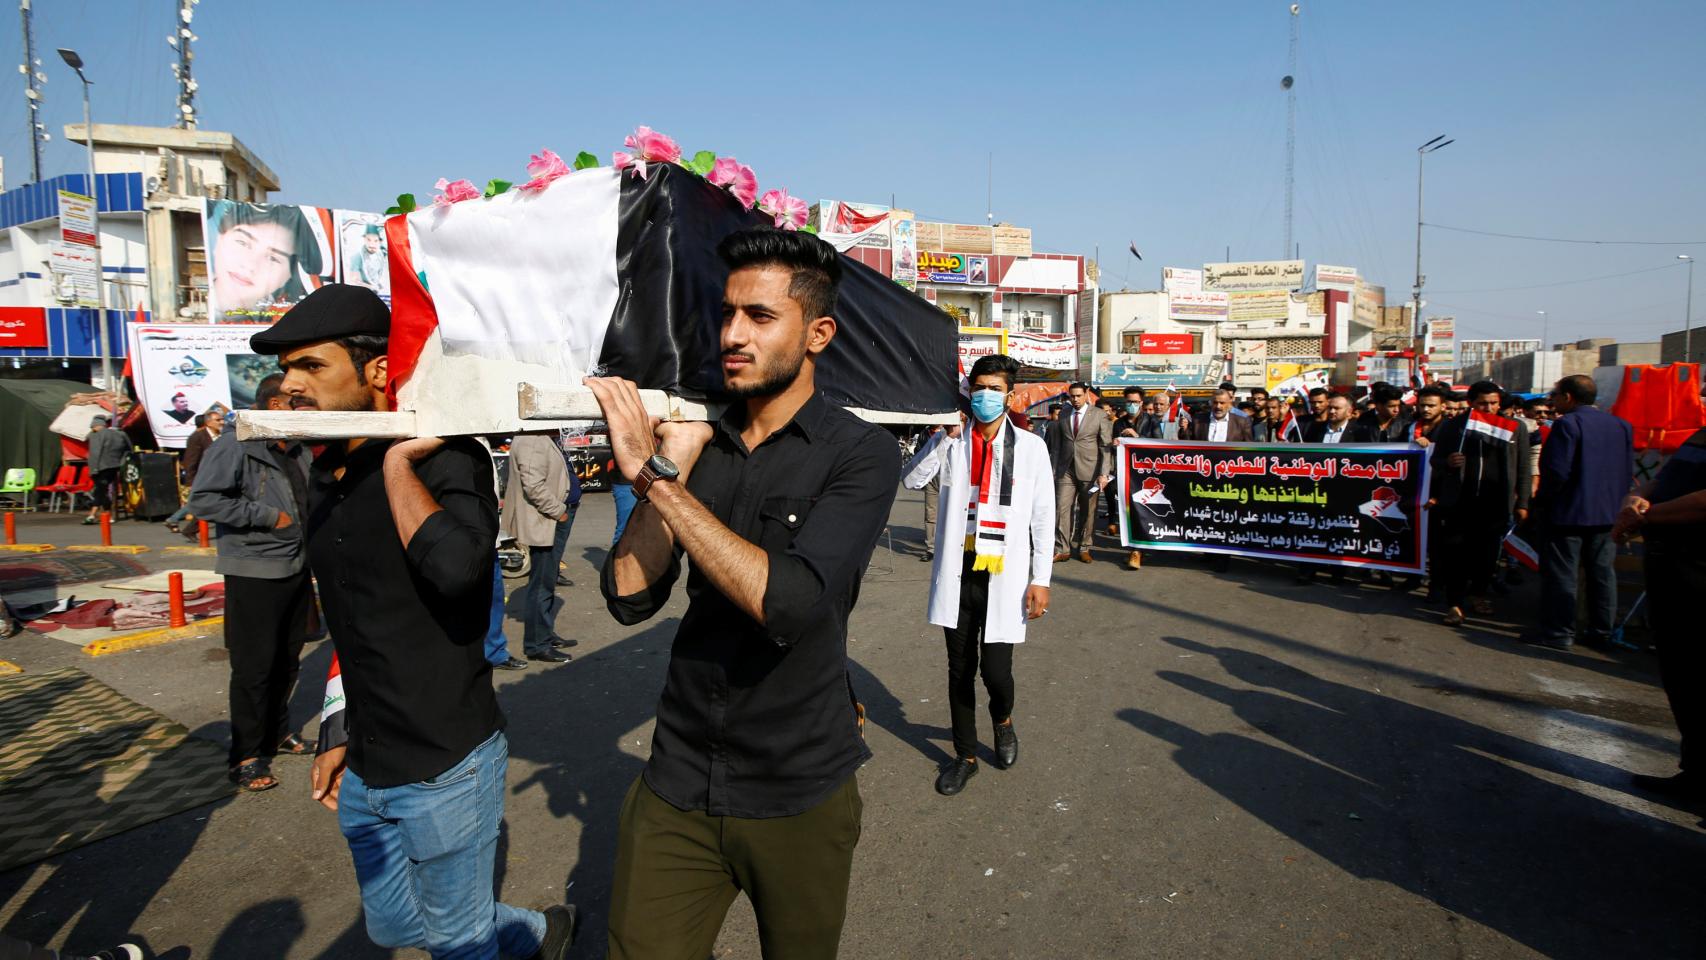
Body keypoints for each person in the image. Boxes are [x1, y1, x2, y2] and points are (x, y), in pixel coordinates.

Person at [591, 229, 896, 960]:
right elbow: (629, 595)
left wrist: (656, 479)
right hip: (678, 780)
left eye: (759, 317)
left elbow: (787, 602)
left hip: (798, 789)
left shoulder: (859, 454)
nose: (732, 334)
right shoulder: (698, 445)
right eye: (727, 314)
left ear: (817, 333)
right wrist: (665, 467)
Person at [253, 285, 574, 960]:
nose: (290, 385)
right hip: (366, 763)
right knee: (396, 928)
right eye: (287, 370)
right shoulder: (322, 470)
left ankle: (519, 936)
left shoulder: (442, 456)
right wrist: (337, 728)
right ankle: (534, 933)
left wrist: (398, 461)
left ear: (375, 370)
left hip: (445, 766)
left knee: (456, 943)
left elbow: (460, 573)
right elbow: (350, 622)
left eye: (310, 366)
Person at [904, 354, 1052, 797]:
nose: (987, 395)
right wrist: (942, 440)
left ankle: (1002, 720)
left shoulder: (1030, 447)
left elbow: (1043, 517)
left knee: (996, 671)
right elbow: (912, 480)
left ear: (1010, 395)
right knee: (959, 669)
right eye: (980, 387)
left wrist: (1040, 578)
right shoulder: (954, 440)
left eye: (995, 388)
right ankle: (965, 755)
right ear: (970, 391)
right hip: (960, 569)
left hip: (1004, 572)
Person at [187, 374, 316, 791]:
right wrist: (267, 516)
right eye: (298, 401)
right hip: (254, 571)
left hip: (296, 566)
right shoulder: (234, 445)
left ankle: (278, 733)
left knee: (287, 659)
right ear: (275, 406)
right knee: (254, 667)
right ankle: (246, 754)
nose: (306, 408)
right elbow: (204, 500)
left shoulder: (297, 449)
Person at [1614, 426, 1706, 802]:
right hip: (1672, 571)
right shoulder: (1699, 436)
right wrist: (1635, 500)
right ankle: (1697, 772)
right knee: (1683, 675)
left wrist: (1645, 517)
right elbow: (1664, 478)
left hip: (1700, 569)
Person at [1529, 375, 1633, 650]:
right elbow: (1626, 470)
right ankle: (1601, 631)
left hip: (1569, 513)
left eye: (1556, 395)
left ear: (1569, 397)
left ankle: (1559, 632)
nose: (1552, 400)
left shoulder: (1568, 425)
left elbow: (1557, 472)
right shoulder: (1620, 425)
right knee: (1602, 573)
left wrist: (1543, 502)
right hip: (1608, 513)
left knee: (1563, 573)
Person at [1427, 381, 1532, 627]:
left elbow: (1524, 468)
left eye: (1494, 403)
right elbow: (1436, 461)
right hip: (1459, 504)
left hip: (1495, 504)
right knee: (1456, 555)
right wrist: (1448, 462)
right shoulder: (1454, 427)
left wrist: (1523, 502)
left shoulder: (1514, 428)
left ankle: (1479, 594)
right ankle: (1454, 602)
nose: (1489, 407)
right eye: (1483, 403)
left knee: (1486, 557)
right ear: (1471, 403)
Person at [500, 431, 579, 663]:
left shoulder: (544, 436)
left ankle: (544, 633)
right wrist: (559, 512)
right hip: (547, 521)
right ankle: (537, 644)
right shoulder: (532, 438)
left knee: (548, 578)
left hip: (554, 518)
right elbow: (532, 484)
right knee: (542, 581)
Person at [206, 201, 326, 322]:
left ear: (289, 274)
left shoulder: (288, 320)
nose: (250, 265)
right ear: (219, 240)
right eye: (242, 243)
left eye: (273, 258)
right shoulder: (196, 303)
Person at [1047, 382, 1115, 563]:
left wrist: (1104, 473)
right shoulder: (1064, 413)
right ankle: (1063, 548)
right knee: (1062, 508)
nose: (1075, 399)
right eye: (1072, 396)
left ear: (1087, 394)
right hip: (1065, 469)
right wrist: (1053, 469)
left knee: (1088, 511)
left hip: (1090, 470)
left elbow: (1105, 446)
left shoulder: (1099, 415)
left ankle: (1084, 547)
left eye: (1078, 395)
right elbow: (1057, 445)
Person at [165, 412, 223, 534]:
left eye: (222, 419)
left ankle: (180, 523)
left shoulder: (219, 435)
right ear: (208, 423)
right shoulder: (197, 437)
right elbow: (191, 460)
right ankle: (175, 520)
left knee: (205, 502)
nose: (221, 422)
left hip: (217, 476)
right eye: (218, 420)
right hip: (202, 477)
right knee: (199, 503)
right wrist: (191, 481)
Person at [82, 414, 129, 525]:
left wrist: (93, 469)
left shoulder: (96, 435)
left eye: (92, 427)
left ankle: (92, 515)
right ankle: (108, 515)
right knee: (102, 491)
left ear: (97, 425)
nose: (91, 429)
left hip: (100, 467)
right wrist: (121, 462)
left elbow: (95, 453)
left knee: (100, 490)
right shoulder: (118, 433)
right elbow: (128, 448)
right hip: (114, 466)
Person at [1186, 388, 1255, 443]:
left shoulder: (1242, 422)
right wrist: (1184, 429)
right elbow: (1187, 442)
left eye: (1222, 403)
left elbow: (1248, 446)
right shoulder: (1198, 420)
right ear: (1211, 403)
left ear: (1228, 404)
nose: (1218, 406)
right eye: (1215, 402)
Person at [1302, 394, 1376, 443]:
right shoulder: (1314, 429)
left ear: (1349, 411)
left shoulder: (1360, 432)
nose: (1332, 411)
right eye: (1330, 408)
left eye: (1337, 408)